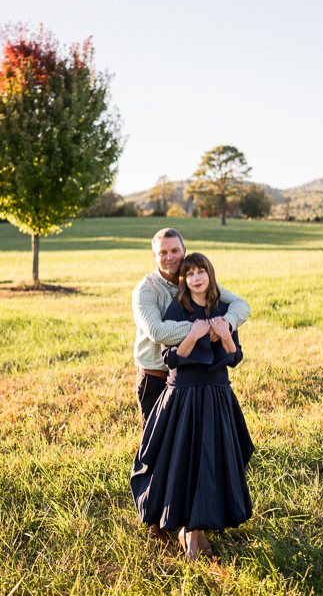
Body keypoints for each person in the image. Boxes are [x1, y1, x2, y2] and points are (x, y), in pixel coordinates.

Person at [130, 252, 254, 561]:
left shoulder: (225, 311)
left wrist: (225, 335)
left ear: (211, 275)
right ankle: (185, 526)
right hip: (183, 394)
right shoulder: (177, 308)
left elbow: (234, 357)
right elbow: (170, 358)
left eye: (201, 272)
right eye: (190, 273)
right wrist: (193, 333)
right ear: (183, 280)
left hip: (216, 393)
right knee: (183, 459)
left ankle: (199, 526)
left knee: (211, 458)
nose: (196, 277)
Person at [132, 227, 250, 424]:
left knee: (183, 444)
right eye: (163, 252)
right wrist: (202, 330)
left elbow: (241, 305)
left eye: (174, 250)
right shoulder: (145, 290)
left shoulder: (194, 279)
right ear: (154, 255)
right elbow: (157, 331)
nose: (170, 257)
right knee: (156, 445)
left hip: (187, 379)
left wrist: (225, 325)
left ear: (184, 250)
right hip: (156, 376)